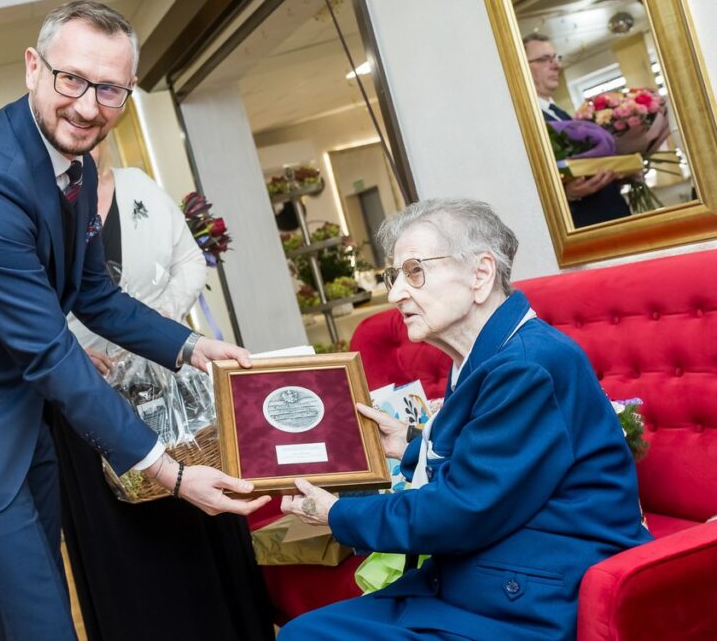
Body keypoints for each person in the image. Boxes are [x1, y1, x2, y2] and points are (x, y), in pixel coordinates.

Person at [0, 0, 269, 641]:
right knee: (38, 618)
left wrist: (192, 346)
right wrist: (170, 473)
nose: (86, 106)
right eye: (71, 79)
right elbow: (49, 352)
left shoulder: (74, 163)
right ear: (33, 68)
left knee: (47, 589)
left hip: (17, 406)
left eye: (110, 89)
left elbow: (92, 295)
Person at [279, 198, 651, 640]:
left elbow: (463, 510)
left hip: (533, 600)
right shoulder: (489, 353)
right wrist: (410, 444)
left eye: (415, 271)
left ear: (481, 274)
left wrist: (337, 513)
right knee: (306, 631)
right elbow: (494, 463)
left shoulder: (525, 366)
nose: (396, 294)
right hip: (490, 578)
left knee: (307, 636)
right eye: (394, 276)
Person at [53, 143, 275, 641]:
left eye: (98, 123)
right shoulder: (45, 207)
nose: (86, 136)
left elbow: (190, 260)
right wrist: (63, 349)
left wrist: (163, 318)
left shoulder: (139, 187)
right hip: (89, 395)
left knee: (200, 511)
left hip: (172, 383)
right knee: (129, 543)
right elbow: (26, 306)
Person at [523, 33, 627, 227]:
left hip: (616, 215)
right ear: (521, 66)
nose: (556, 65)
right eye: (544, 59)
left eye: (555, 58)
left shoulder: (561, 114)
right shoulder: (524, 121)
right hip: (588, 227)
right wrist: (567, 195)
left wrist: (621, 172)